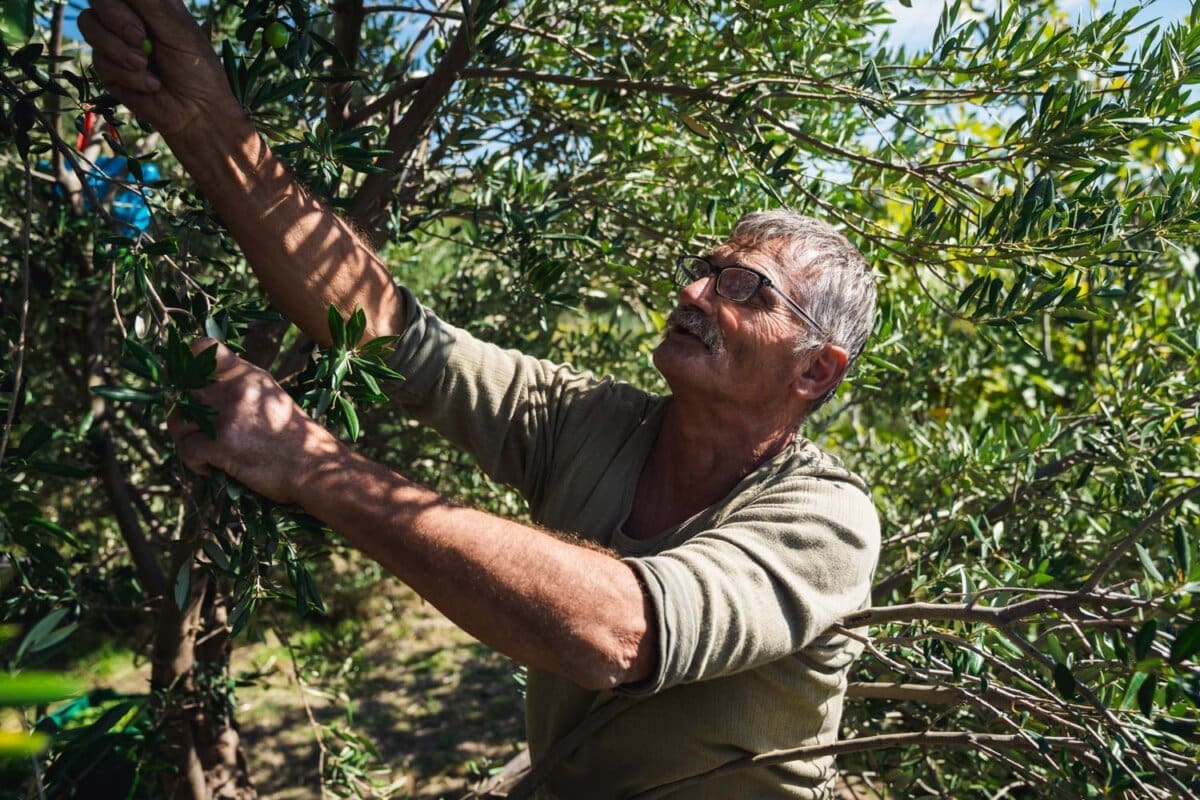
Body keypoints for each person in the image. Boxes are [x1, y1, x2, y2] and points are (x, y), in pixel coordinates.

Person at [80, 1, 881, 796]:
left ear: (815, 371)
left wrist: (311, 464)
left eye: (743, 287)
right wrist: (203, 118)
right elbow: (392, 333)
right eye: (703, 269)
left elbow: (621, 633)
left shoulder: (827, 521)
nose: (695, 291)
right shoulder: (592, 423)